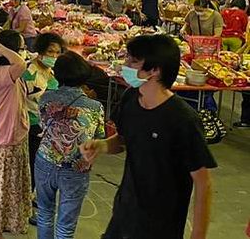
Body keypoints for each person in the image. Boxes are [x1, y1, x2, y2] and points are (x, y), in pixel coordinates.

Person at [80, 35, 216, 239]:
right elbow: (124, 140)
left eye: (133, 61)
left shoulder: (182, 119)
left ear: (154, 70)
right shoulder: (130, 98)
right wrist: (100, 146)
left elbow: (203, 182)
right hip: (124, 213)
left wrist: (198, 235)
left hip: (160, 225)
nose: (125, 65)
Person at [36, 51, 105, 239]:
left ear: (57, 74)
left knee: (44, 213)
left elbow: (42, 125)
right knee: (66, 225)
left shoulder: (45, 98)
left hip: (45, 161)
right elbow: (99, 138)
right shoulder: (94, 106)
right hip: (76, 169)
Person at [0, 30, 31, 239]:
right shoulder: (0, 73)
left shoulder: (4, 69)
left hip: (16, 134)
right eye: (21, 48)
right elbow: (21, 64)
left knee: (14, 185)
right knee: (2, 187)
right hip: (5, 137)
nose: (24, 52)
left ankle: (12, 223)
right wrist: (2, 48)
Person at [22, 34, 65, 197]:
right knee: (32, 165)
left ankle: (32, 194)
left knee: (41, 165)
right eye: (50, 52)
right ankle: (26, 199)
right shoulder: (30, 72)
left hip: (47, 126)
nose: (54, 56)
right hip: (32, 124)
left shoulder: (51, 70)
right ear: (40, 52)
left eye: (57, 52)